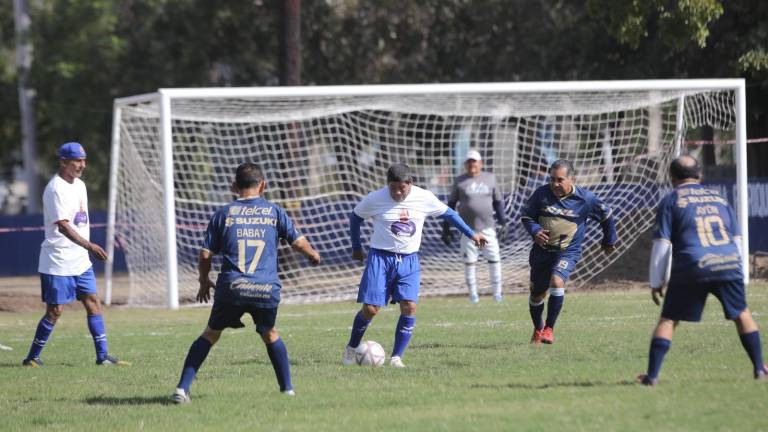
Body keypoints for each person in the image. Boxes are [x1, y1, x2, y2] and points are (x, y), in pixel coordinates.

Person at [170, 163, 320, 404]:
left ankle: (181, 389)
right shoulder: (274, 211)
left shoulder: (223, 214)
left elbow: (205, 254)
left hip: (232, 288)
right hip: (265, 288)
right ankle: (288, 391)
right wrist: (312, 254)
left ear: (234, 187)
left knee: (211, 334)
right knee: (270, 334)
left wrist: (203, 281)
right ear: (263, 185)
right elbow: (298, 242)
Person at [637, 155, 767, 386]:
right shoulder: (720, 199)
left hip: (693, 265)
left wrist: (656, 281)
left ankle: (652, 377)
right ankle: (759, 369)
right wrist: (739, 271)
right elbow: (737, 239)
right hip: (728, 263)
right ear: (700, 175)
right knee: (742, 314)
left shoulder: (671, 200)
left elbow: (662, 243)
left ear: (672, 177)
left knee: (669, 320)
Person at [343, 163, 487, 368]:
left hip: (409, 260)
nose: (397, 192)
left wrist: (471, 234)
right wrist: (356, 247)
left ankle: (396, 357)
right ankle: (351, 348)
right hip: (380, 258)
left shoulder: (424, 197)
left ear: (410, 183)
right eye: (393, 188)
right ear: (387, 184)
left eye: (401, 188)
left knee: (409, 306)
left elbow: (449, 214)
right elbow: (355, 218)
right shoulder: (375, 198)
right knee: (371, 309)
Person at [23, 142, 128, 367]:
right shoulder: (55, 189)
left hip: (80, 260)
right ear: (63, 162)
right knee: (55, 311)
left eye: (84, 160)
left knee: (93, 302)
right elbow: (63, 226)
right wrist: (90, 246)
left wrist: (86, 250)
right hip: (58, 259)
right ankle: (32, 357)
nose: (82, 165)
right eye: (77, 161)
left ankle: (102, 356)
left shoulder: (80, 185)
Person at [520, 159, 616, 344]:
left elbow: (606, 215)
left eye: (560, 180)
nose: (555, 184)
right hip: (541, 252)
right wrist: (535, 231)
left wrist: (609, 240)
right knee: (537, 295)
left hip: (567, 252)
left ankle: (549, 329)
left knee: (557, 281)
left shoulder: (586, 199)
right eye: (552, 179)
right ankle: (539, 328)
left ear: (572, 179)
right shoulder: (541, 194)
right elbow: (526, 216)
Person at [442, 150, 507, 303]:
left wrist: (503, 222)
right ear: (465, 164)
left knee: (494, 259)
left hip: (488, 227)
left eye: (474, 161)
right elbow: (451, 205)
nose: (472, 164)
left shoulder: (490, 178)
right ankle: (473, 296)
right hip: (467, 229)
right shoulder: (459, 181)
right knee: (469, 262)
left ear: (480, 163)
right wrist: (446, 227)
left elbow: (498, 202)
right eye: (469, 161)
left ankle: (497, 294)